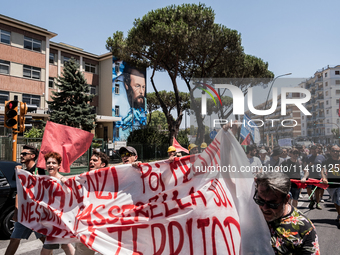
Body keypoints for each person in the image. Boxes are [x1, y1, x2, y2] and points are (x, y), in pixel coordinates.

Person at [254, 171, 320, 254]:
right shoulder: (252, 211)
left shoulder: (304, 228)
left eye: (272, 204)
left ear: (286, 199)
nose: (264, 208)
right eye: (260, 201)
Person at [5, 145, 46, 255]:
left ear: (32, 156)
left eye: (24, 154)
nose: (21, 156)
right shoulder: (21, 172)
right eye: (21, 154)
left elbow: (46, 190)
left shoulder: (40, 171)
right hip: (24, 213)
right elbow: (19, 192)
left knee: (44, 240)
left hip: (37, 213)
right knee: (14, 239)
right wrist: (16, 212)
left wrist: (37, 180)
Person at [74, 151, 110, 255]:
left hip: (103, 225)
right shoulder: (83, 178)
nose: (91, 162)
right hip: (87, 226)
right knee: (82, 251)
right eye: (91, 160)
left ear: (102, 164)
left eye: (95, 160)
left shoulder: (110, 179)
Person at [40, 152, 74, 255]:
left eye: (53, 163)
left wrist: (66, 184)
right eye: (48, 162)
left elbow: (71, 199)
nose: (50, 165)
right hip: (48, 220)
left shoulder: (63, 181)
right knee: (65, 245)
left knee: (47, 249)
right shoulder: (44, 180)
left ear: (59, 166)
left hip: (59, 221)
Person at [321, 145, 340, 229]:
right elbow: (322, 170)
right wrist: (324, 178)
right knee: (335, 201)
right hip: (331, 184)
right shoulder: (328, 161)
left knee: (339, 200)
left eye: (337, 151)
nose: (335, 152)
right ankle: (339, 214)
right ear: (330, 152)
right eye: (333, 151)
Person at [304, 145, 326, 210]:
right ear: (311, 150)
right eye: (312, 150)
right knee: (308, 189)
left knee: (317, 190)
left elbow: (323, 167)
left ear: (317, 150)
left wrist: (324, 176)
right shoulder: (308, 157)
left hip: (318, 176)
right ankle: (311, 200)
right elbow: (304, 166)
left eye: (314, 149)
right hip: (310, 175)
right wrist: (308, 165)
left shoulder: (322, 157)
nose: (313, 151)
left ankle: (317, 203)